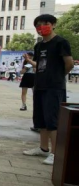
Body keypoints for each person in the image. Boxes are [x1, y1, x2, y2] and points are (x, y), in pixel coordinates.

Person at [23, 15, 74, 166]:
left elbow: (69, 63)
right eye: (38, 25)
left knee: (53, 120)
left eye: (45, 24)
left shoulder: (61, 42)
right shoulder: (39, 46)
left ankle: (55, 153)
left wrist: (58, 77)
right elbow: (40, 64)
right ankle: (43, 148)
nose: (41, 27)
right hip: (40, 85)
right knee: (41, 119)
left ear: (53, 25)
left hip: (54, 87)